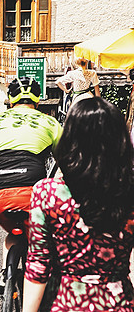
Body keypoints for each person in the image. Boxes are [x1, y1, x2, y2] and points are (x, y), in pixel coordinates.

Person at [23, 97, 134, 312]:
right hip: (119, 304)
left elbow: (38, 264)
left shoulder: (47, 193)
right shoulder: (128, 192)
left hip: (66, 303)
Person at [0, 77, 63, 294]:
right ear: (38, 99)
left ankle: (3, 273)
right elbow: (67, 163)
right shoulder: (50, 122)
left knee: (14, 232)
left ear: (10, 99)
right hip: (30, 192)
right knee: (43, 235)